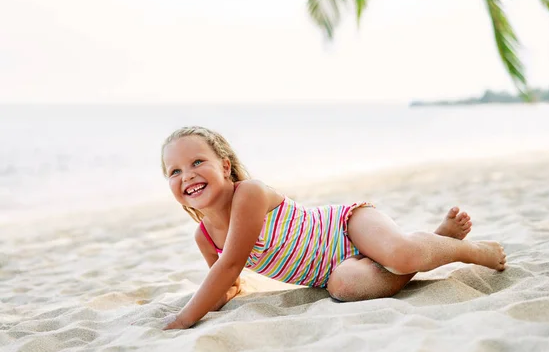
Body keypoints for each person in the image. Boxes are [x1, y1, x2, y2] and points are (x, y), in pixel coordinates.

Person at [160, 126, 506, 330]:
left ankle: (471, 250)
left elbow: (231, 264)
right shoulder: (204, 237)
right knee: (342, 287)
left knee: (400, 254)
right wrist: (214, 301)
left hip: (348, 227)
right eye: (173, 171)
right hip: (336, 272)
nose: (186, 175)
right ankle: (437, 240)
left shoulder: (248, 194)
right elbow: (227, 282)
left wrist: (183, 319)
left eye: (196, 162)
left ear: (224, 166)